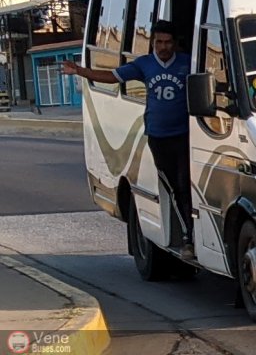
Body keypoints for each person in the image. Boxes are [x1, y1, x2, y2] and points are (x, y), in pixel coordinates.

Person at [62, 20, 195, 260]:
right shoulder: (145, 65)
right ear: (153, 43)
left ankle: (189, 239)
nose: (163, 47)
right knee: (174, 187)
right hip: (158, 137)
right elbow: (112, 76)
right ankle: (185, 235)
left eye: (167, 42)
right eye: (158, 42)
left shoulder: (187, 64)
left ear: (175, 44)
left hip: (184, 136)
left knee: (186, 185)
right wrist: (80, 71)